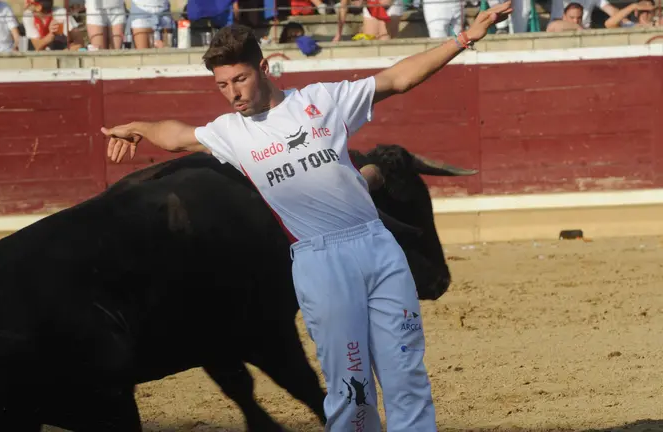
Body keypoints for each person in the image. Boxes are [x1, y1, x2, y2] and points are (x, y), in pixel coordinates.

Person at [101, 2, 511, 430]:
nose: (233, 93)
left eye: (239, 79)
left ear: (263, 68)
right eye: (222, 85)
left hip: (376, 246)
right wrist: (139, 128)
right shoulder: (230, 132)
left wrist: (465, 38)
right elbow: (176, 136)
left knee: (406, 373)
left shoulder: (321, 101)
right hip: (320, 261)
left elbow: (397, 78)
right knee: (350, 386)